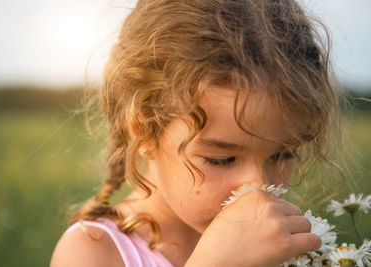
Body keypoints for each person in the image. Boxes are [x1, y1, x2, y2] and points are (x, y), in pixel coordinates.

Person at [51, 0, 343, 266]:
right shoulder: (93, 251)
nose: (258, 188)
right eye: (220, 159)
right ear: (144, 132)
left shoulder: (285, 243)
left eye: (283, 154)